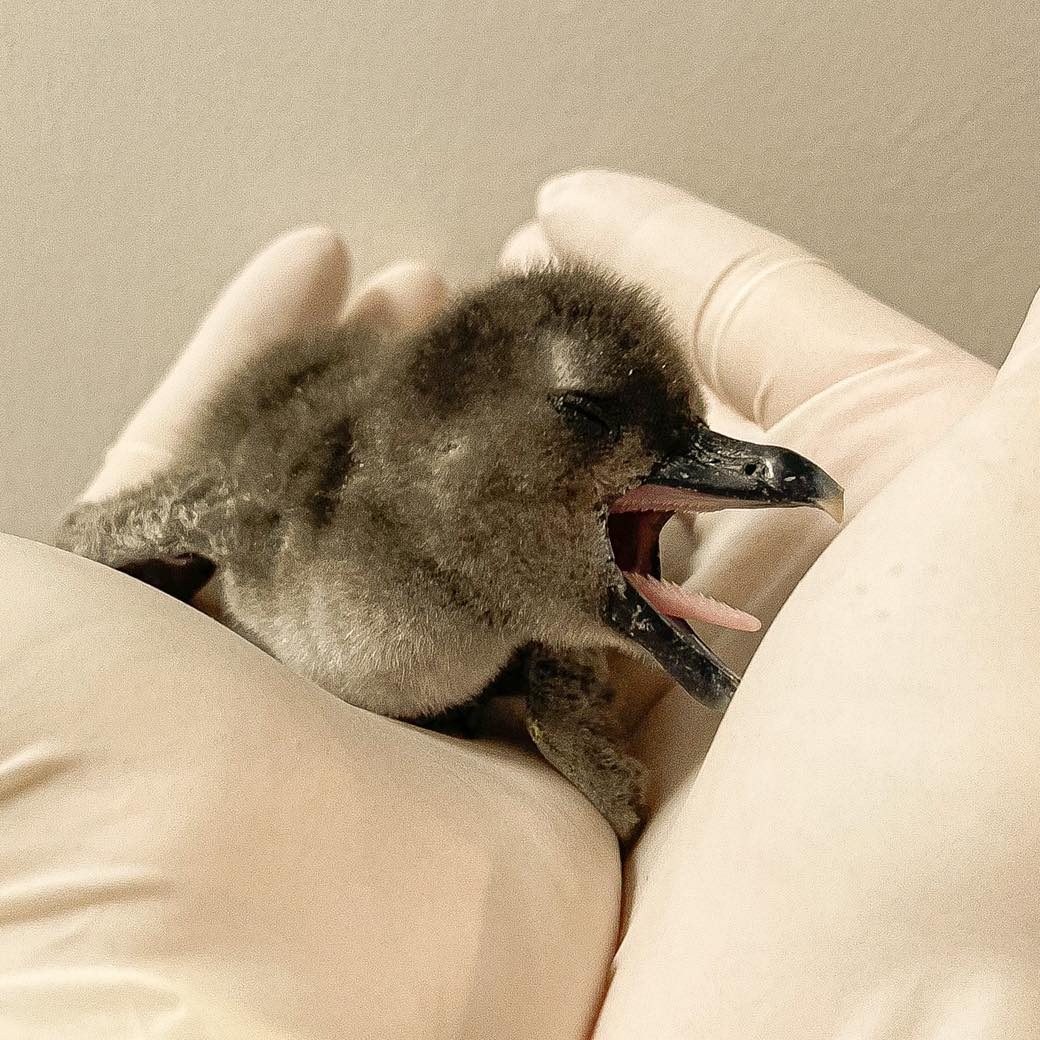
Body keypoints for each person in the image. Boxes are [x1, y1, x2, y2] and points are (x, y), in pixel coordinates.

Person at [2, 171, 1036, 1038]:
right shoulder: (259, 512)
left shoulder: (533, 626)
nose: (760, 471)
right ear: (441, 445)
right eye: (586, 417)